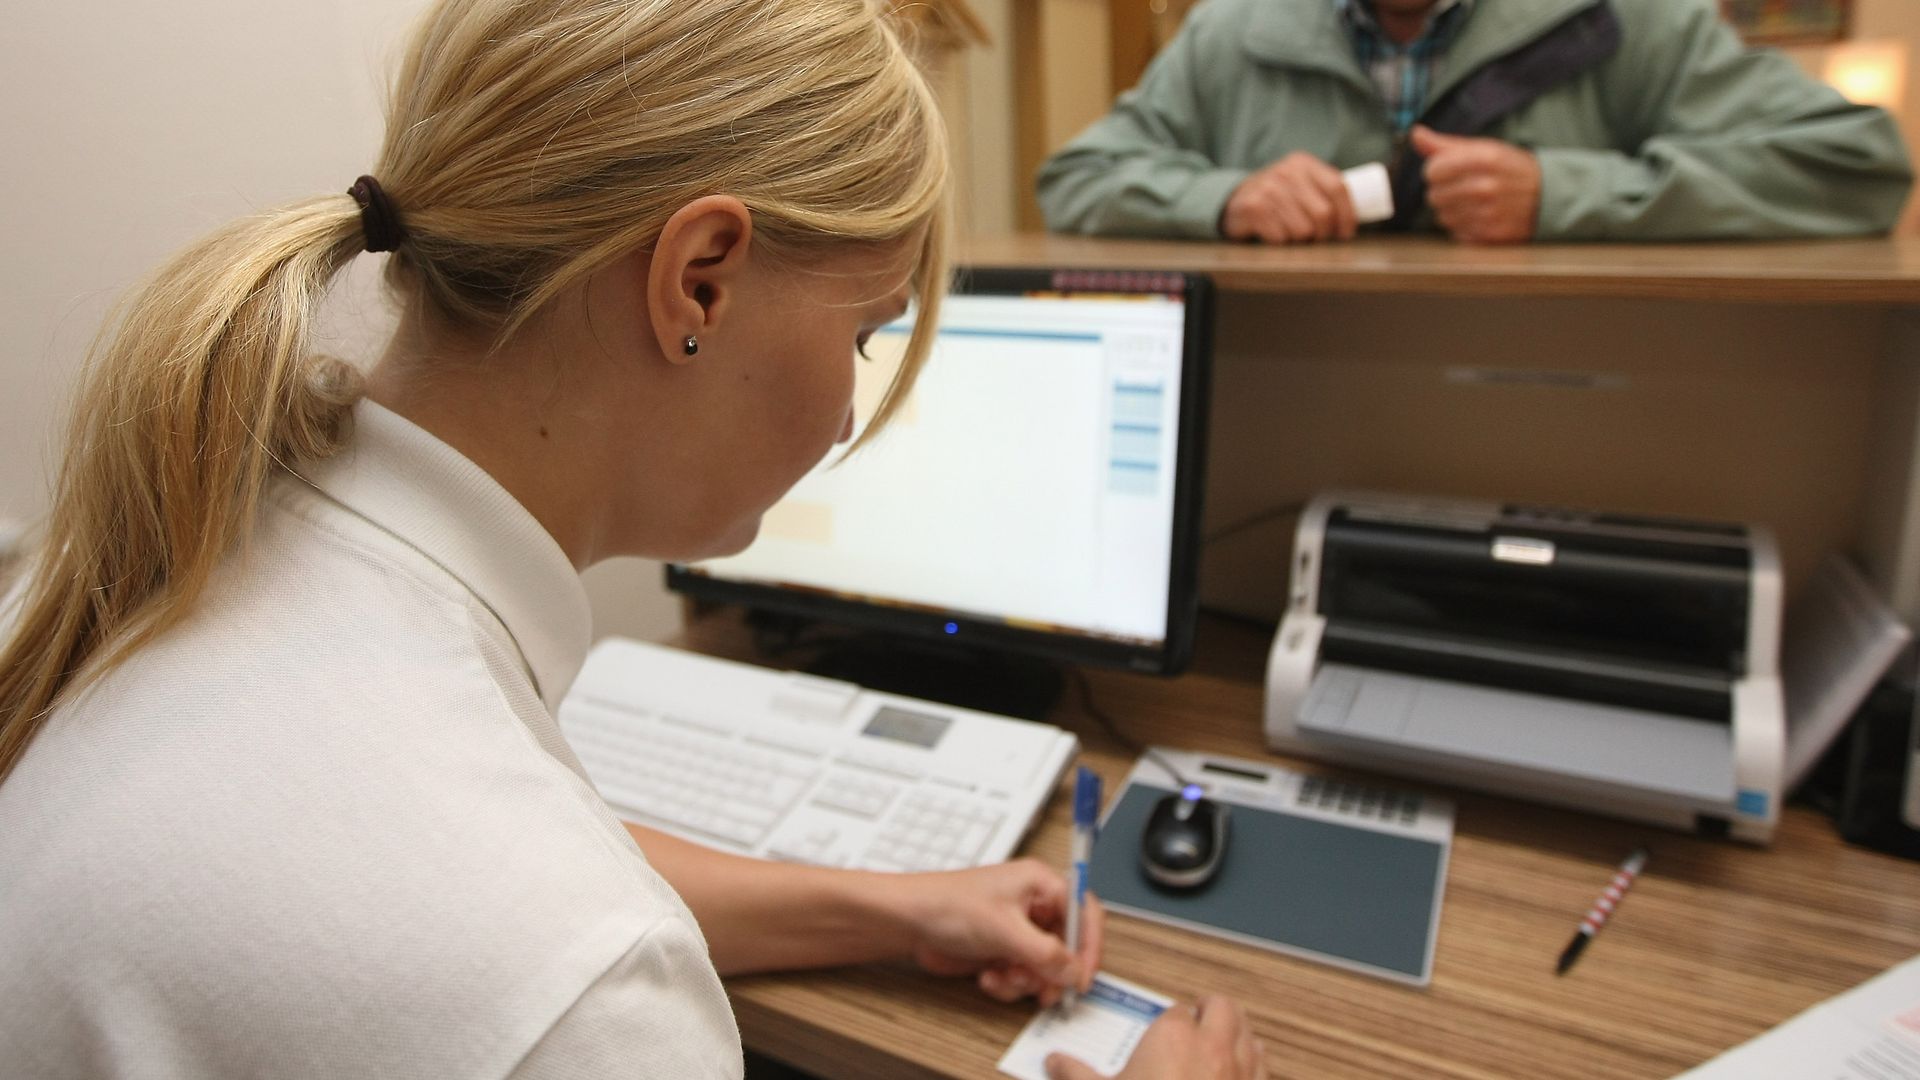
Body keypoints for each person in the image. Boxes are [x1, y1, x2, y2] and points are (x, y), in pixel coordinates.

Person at [0, 1, 1263, 1078]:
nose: (845, 411)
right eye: (867, 336)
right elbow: (538, 954)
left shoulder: (191, 543)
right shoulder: (586, 999)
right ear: (699, 279)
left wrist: (891, 908)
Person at [1037, 0, 1914, 244]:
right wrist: (1225, 200)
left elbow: (1859, 164)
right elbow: (1072, 180)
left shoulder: (1638, 18)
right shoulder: (1229, 28)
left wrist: (1568, 193)